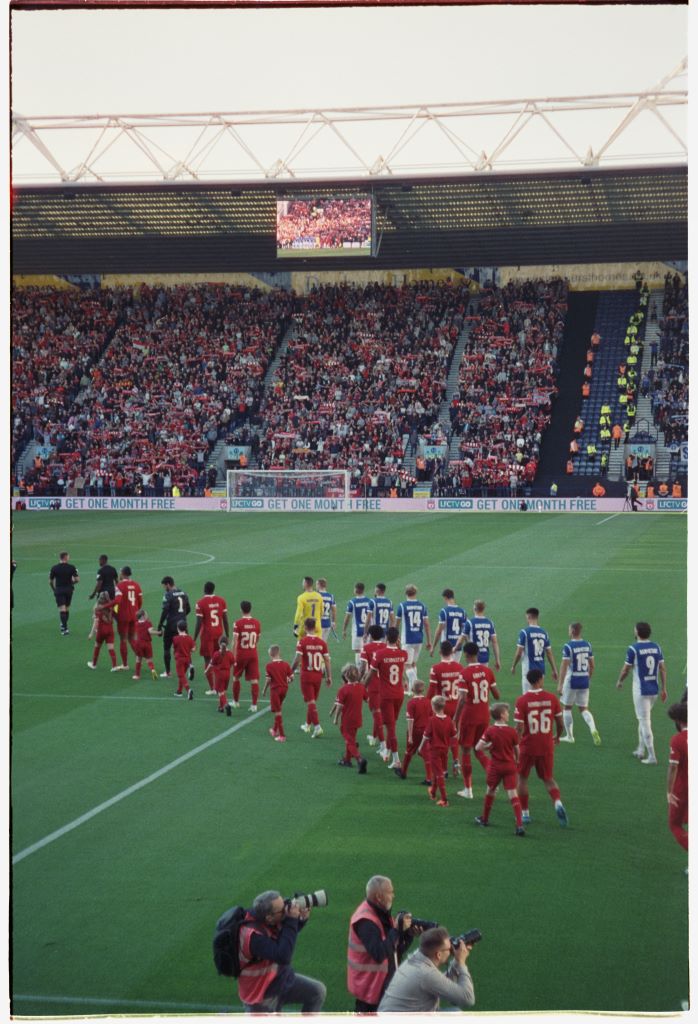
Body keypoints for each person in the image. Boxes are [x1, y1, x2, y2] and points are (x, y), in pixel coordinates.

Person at [237, 890, 326, 1013]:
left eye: (284, 903)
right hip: (261, 994)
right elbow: (283, 955)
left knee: (317, 992)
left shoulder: (268, 919)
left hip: (280, 980)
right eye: (282, 909)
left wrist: (300, 919)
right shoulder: (253, 936)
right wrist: (291, 919)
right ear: (269, 917)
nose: (286, 909)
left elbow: (284, 937)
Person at [347, 875, 416, 1012]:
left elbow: (394, 951)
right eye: (390, 892)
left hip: (383, 987)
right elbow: (379, 954)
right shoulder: (365, 920)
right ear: (379, 896)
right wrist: (396, 930)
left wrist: (408, 935)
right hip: (371, 991)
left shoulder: (381, 914)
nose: (393, 896)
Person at [378, 926, 475, 1012]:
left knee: (455, 1012)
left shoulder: (416, 958)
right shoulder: (426, 974)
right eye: (449, 948)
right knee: (457, 1014)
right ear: (439, 955)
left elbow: (441, 983)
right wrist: (461, 963)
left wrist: (456, 961)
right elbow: (468, 998)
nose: (451, 950)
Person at [515, 669, 568, 827]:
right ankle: (557, 802)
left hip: (528, 746)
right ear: (540, 679)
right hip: (546, 744)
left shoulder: (522, 701)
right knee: (548, 778)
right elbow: (560, 723)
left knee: (522, 778)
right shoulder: (552, 698)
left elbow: (519, 727)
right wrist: (557, 736)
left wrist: (515, 745)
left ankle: (525, 814)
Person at [453, 641, 500, 798]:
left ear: (466, 655)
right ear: (478, 654)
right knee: (478, 748)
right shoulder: (487, 671)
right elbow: (497, 695)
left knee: (465, 750)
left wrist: (455, 719)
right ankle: (493, 779)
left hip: (469, 716)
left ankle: (468, 790)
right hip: (484, 715)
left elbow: (462, 699)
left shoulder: (464, 673)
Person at [616, 621, 667, 764]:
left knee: (645, 721)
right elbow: (662, 668)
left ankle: (652, 756)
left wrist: (620, 681)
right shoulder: (656, 647)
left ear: (637, 632)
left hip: (641, 691)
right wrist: (664, 688)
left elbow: (626, 669)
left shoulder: (634, 648)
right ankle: (640, 749)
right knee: (643, 719)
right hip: (654, 690)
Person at [474, 703, 525, 835]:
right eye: (507, 713)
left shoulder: (490, 731)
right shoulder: (512, 731)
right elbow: (517, 749)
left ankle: (484, 819)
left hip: (496, 767)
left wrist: (489, 746)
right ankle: (519, 825)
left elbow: (478, 748)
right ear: (502, 715)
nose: (509, 714)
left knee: (490, 790)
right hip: (510, 766)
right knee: (513, 794)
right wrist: (517, 760)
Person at [364, 626, 409, 769]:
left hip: (386, 695)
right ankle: (388, 751)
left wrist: (362, 687)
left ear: (386, 638)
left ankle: (396, 759)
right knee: (392, 723)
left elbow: (370, 675)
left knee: (390, 728)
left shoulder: (380, 654)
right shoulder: (403, 654)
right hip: (399, 694)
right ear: (397, 639)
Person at [557, 622, 601, 745]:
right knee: (583, 709)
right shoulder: (587, 645)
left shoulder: (568, 646)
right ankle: (593, 729)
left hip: (572, 680)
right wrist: (588, 678)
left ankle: (570, 736)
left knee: (567, 707)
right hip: (584, 680)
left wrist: (560, 685)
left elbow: (564, 667)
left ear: (572, 631)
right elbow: (592, 665)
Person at [427, 641, 466, 776]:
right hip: (456, 705)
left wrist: (427, 706)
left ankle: (444, 769)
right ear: (452, 652)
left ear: (440, 652)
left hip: (441, 707)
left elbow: (431, 691)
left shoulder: (436, 668)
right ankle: (456, 760)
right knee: (454, 735)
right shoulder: (460, 667)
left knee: (441, 740)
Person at [291, 618, 332, 738]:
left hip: (306, 675)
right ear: (315, 627)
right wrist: (329, 676)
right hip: (318, 676)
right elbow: (327, 660)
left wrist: (290, 672)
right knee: (312, 700)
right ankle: (307, 725)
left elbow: (297, 659)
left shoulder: (302, 642)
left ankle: (317, 727)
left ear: (305, 627)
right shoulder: (322, 643)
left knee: (311, 701)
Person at [419, 695, 457, 807]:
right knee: (437, 771)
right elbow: (454, 736)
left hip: (434, 750)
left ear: (433, 707)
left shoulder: (432, 720)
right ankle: (433, 792)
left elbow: (425, 736)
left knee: (439, 774)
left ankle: (444, 799)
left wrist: (420, 748)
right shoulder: (449, 720)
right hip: (445, 750)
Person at [331, 664, 368, 773]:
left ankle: (359, 759)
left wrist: (335, 718)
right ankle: (347, 760)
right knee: (351, 739)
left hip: (347, 720)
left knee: (349, 741)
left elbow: (339, 706)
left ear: (345, 676)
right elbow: (368, 699)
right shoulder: (361, 687)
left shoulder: (343, 689)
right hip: (357, 719)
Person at [395, 584, 431, 694]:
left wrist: (395, 637)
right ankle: (411, 689)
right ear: (416, 593)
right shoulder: (422, 606)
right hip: (419, 638)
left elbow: (397, 623)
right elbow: (426, 624)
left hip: (408, 639)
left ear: (406, 593)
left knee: (407, 665)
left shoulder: (402, 606)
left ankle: (416, 685)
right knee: (413, 663)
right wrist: (429, 640)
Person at [511, 607, 557, 692]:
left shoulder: (525, 632)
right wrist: (554, 670)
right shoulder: (544, 633)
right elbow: (549, 653)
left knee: (528, 697)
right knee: (539, 695)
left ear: (528, 617)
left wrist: (513, 665)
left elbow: (519, 652)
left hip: (529, 671)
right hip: (541, 671)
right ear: (537, 617)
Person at [395, 679, 431, 784]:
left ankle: (403, 772)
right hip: (425, 731)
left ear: (412, 689)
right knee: (426, 753)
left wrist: (410, 735)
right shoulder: (428, 701)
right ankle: (429, 778)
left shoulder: (411, 703)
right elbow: (430, 717)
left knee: (409, 751)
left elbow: (410, 720)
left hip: (415, 730)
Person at [359, 623, 387, 754]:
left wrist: (359, 681)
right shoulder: (386, 647)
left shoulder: (366, 648)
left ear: (370, 635)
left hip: (373, 685)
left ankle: (383, 744)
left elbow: (362, 668)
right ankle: (374, 737)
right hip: (386, 685)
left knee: (376, 712)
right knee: (379, 711)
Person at [194, 581, 229, 683]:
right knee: (219, 659)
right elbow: (225, 619)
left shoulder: (200, 603)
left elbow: (199, 622)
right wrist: (226, 635)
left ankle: (213, 688)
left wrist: (194, 638)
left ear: (204, 589)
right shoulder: (221, 601)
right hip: (219, 634)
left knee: (208, 660)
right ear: (213, 589)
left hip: (207, 635)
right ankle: (220, 685)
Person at [157, 576, 191, 678]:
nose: (164, 588)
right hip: (182, 624)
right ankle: (190, 667)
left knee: (167, 648)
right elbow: (188, 608)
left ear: (168, 584)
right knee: (185, 647)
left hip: (171, 625)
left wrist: (160, 624)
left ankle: (168, 672)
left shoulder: (168, 595)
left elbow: (165, 611)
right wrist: (182, 617)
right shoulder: (184, 593)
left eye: (164, 586)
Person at [666, 702, 688, 855]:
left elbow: (673, 767)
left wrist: (668, 791)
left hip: (683, 789)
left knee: (675, 825)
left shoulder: (678, 740)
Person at [232, 600, 262, 711]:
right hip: (253, 653)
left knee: (236, 677)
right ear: (250, 609)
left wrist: (233, 657)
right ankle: (254, 705)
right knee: (254, 680)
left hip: (241, 654)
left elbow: (235, 642)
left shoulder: (238, 623)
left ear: (241, 609)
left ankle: (235, 702)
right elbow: (257, 639)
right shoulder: (257, 623)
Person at [113, 566, 143, 671]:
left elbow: (117, 601)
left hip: (123, 616)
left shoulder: (120, 586)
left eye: (120, 572)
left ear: (123, 573)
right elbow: (140, 601)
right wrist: (136, 611)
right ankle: (139, 657)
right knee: (131, 638)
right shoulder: (136, 585)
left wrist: (113, 612)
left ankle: (125, 664)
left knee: (123, 640)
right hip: (134, 615)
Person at [460, 599, 500, 670]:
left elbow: (461, 640)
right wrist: (497, 660)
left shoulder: (470, 622)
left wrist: (454, 648)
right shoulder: (490, 623)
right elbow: (494, 642)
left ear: (474, 608)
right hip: (485, 657)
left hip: (473, 657)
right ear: (483, 609)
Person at [263, 644, 293, 740]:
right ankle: (274, 730)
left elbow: (268, 680)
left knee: (277, 712)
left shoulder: (269, 666)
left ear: (271, 655)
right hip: (284, 689)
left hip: (275, 690)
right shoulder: (286, 664)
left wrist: (264, 690)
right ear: (278, 653)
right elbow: (292, 678)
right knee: (278, 709)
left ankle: (282, 735)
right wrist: (286, 680)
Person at [430, 589, 467, 661]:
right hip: (458, 646)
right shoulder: (462, 612)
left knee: (446, 669)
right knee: (456, 669)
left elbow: (439, 631)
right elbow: (465, 631)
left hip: (446, 647)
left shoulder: (444, 611)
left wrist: (433, 647)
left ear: (445, 598)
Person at [342, 582, 372, 668]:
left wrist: (344, 629)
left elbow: (347, 617)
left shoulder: (352, 602)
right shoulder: (369, 601)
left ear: (356, 590)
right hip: (368, 630)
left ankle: (359, 670)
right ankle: (366, 668)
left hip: (357, 630)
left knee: (358, 651)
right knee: (367, 650)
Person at [86, 591, 119, 671]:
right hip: (110, 630)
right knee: (111, 648)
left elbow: (96, 622)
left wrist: (91, 633)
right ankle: (114, 666)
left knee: (97, 646)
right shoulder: (111, 607)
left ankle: (94, 664)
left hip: (101, 630)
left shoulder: (99, 609)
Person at [49, 551, 79, 635]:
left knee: (62, 609)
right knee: (67, 608)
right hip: (69, 590)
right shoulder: (72, 567)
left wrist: (54, 589)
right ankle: (64, 625)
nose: (69, 558)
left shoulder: (54, 568)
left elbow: (50, 581)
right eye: (68, 556)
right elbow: (77, 579)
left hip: (59, 590)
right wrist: (71, 583)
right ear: (65, 557)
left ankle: (64, 629)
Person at [207, 636, 236, 714]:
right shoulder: (230, 654)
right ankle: (221, 707)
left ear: (219, 644)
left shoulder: (216, 654)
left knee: (220, 692)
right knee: (223, 691)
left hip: (219, 675)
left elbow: (211, 664)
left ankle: (226, 705)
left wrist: (206, 671)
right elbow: (234, 663)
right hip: (227, 675)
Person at [131, 608, 158, 681]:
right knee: (149, 659)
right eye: (146, 614)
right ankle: (152, 670)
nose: (147, 615)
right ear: (143, 616)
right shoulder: (148, 623)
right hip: (147, 643)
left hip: (139, 644)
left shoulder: (136, 624)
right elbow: (150, 632)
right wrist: (159, 633)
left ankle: (137, 675)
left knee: (138, 659)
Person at [172, 620, 195, 699]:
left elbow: (174, 648)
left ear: (178, 628)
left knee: (181, 675)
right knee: (182, 675)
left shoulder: (175, 638)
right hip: (187, 659)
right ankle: (179, 691)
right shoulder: (189, 638)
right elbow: (193, 649)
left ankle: (188, 690)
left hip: (179, 660)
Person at [316, 577, 336, 642]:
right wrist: (333, 622)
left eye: (316, 584)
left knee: (316, 645)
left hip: (318, 624)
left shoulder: (317, 595)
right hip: (327, 624)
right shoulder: (331, 596)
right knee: (323, 644)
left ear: (319, 585)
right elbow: (334, 610)